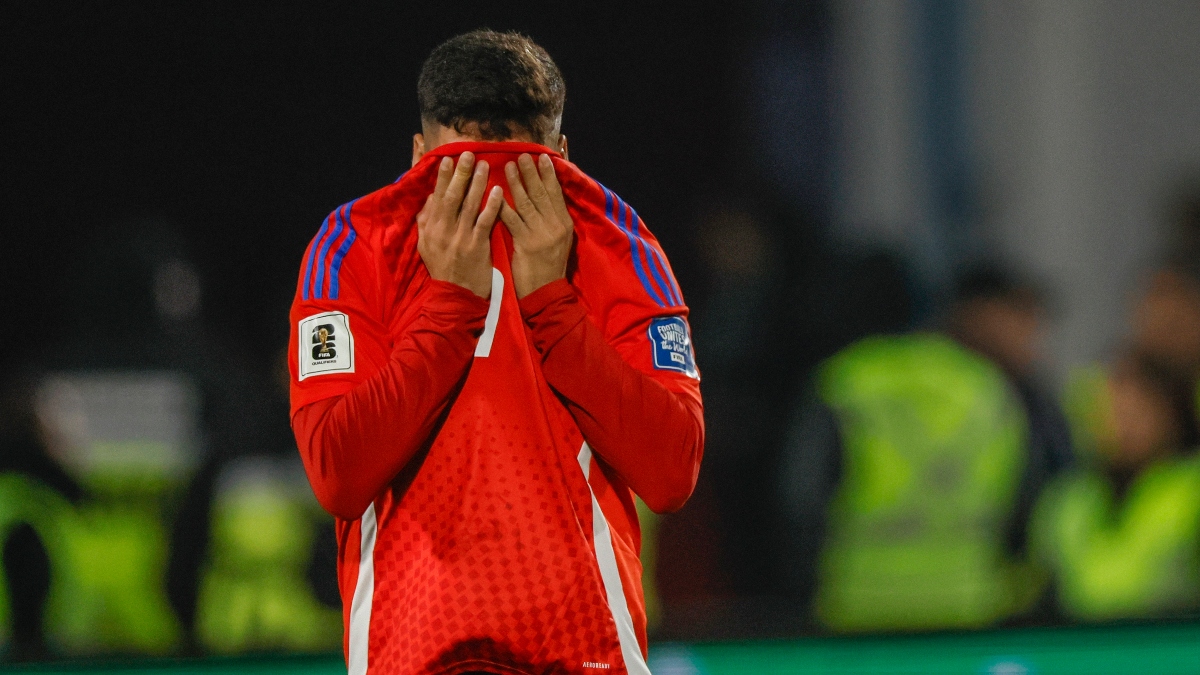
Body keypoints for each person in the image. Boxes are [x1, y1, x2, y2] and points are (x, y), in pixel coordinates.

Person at [288, 30, 703, 675]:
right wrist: (454, 304)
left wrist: (553, 309)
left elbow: (670, 473)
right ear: (562, 150)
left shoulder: (351, 242)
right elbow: (341, 474)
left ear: (420, 148)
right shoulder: (621, 239)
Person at [777, 263, 1069, 632]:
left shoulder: (846, 384)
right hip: (970, 608)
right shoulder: (989, 389)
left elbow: (801, 502)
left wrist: (802, 595)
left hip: (859, 612)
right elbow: (1033, 501)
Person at [1035, 351, 1200, 620]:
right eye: (1113, 410)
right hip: (1082, 649)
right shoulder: (1069, 498)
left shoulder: (1191, 489)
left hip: (1175, 650)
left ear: (1171, 413)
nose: (1122, 426)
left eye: (1137, 412)